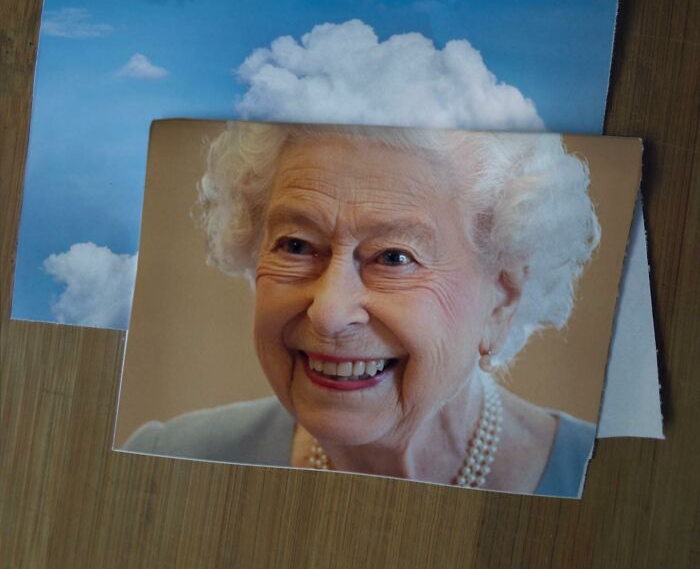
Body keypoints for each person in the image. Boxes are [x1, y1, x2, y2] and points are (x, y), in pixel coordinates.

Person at [123, 122, 601, 498]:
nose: (329, 312)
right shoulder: (165, 461)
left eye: (394, 257)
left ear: (502, 299)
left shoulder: (605, 478)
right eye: (295, 245)